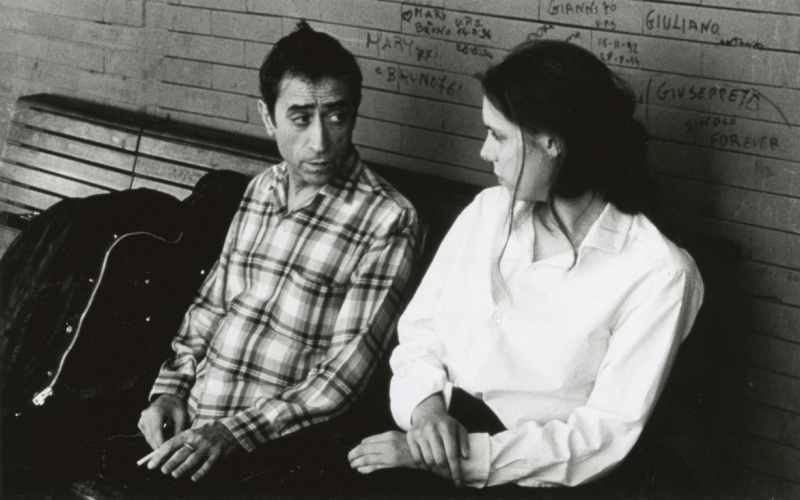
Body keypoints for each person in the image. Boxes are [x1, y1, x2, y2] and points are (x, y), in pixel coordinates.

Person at [348, 40, 704, 495]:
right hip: (424, 433)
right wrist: (426, 412)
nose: (484, 152)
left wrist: (455, 458)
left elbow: (602, 435)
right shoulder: (487, 211)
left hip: (526, 478)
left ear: (551, 143)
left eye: (498, 136)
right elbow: (421, 330)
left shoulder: (659, 273)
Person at [118, 20, 422, 496]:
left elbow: (343, 378)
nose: (320, 141)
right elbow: (211, 307)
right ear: (268, 117)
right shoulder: (262, 188)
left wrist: (232, 434)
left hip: (270, 452)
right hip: (190, 431)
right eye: (300, 118)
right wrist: (170, 392)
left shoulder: (388, 218)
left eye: (336, 116)